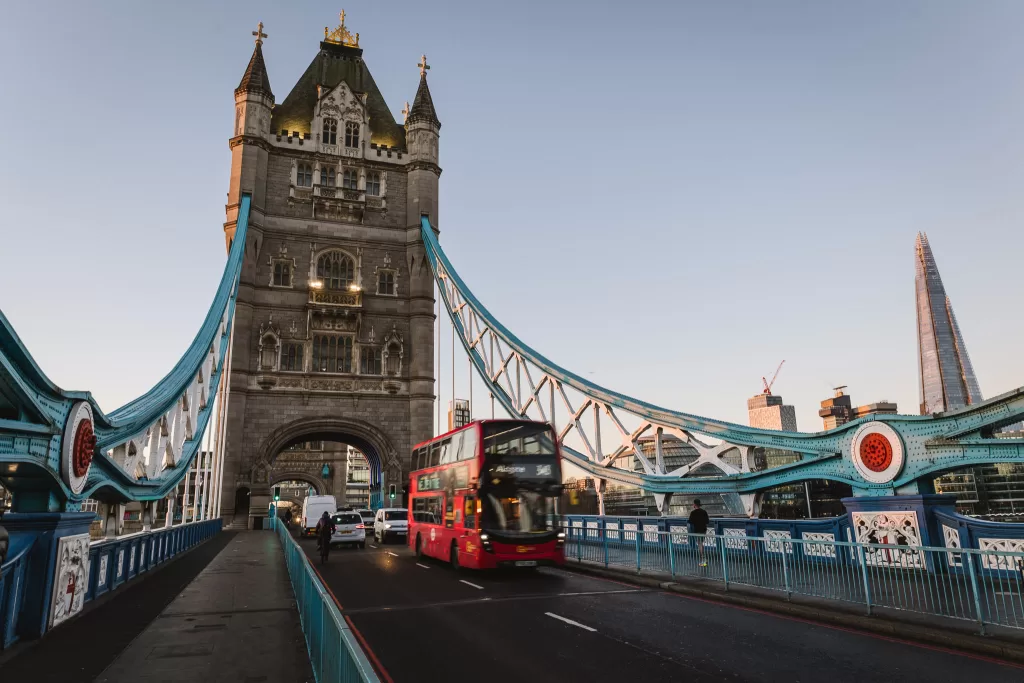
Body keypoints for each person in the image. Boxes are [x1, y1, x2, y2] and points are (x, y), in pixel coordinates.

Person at [688, 499, 710, 567]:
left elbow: (690, 521)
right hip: (703, 530)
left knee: (700, 544)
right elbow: (707, 521)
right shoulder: (704, 512)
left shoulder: (693, 513)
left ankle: (703, 560)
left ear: (694, 505)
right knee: (701, 543)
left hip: (697, 530)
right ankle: (704, 559)